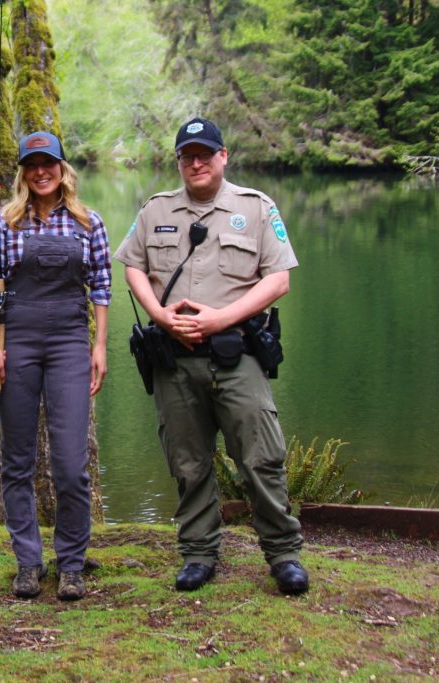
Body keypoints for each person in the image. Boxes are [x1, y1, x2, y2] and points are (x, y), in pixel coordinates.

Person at [113, 117, 309, 595]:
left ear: (224, 156)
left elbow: (278, 279)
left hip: (235, 355)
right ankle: (199, 554)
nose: (195, 162)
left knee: (261, 458)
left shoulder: (256, 208)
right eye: (187, 155)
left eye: (205, 153)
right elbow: (133, 266)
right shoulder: (155, 209)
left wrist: (221, 319)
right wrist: (159, 315)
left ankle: (283, 554)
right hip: (175, 362)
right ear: (178, 161)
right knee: (188, 462)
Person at [0, 131, 111, 601]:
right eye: (32, 165)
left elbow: (100, 288)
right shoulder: (3, 224)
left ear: (62, 169)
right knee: (17, 462)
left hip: (71, 343)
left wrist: (100, 346)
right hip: (20, 340)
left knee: (71, 465)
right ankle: (28, 563)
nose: (41, 172)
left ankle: (71, 564)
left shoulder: (88, 223)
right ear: (22, 172)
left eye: (48, 163)